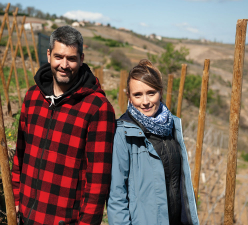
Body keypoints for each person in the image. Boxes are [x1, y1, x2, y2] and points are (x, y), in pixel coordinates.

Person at [11, 25, 115, 225]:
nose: (64, 65)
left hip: (64, 219)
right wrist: (16, 197)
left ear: (81, 59)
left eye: (72, 58)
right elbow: (20, 155)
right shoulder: (33, 96)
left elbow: (98, 181)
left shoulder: (97, 108)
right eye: (59, 57)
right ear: (49, 55)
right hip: (26, 215)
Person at [107, 59, 199, 225]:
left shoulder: (172, 126)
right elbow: (116, 196)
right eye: (137, 95)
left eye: (151, 92)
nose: (145, 101)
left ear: (161, 92)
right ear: (129, 96)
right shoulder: (123, 133)